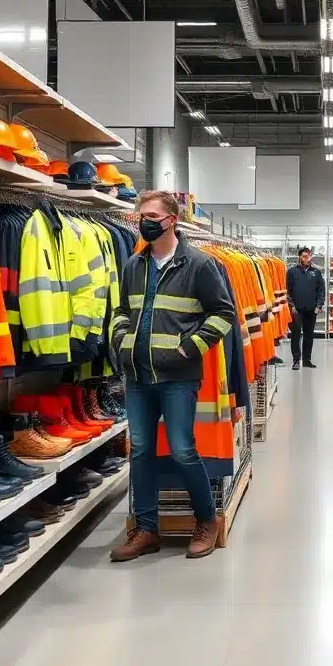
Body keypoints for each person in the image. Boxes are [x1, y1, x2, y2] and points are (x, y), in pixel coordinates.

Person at [108, 190, 237, 563]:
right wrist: (121, 340)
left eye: (151, 215)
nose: (144, 221)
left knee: (182, 449)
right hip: (138, 375)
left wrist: (187, 348)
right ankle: (147, 530)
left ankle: (206, 521)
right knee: (142, 451)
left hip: (179, 375)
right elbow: (120, 310)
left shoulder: (199, 264)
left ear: (171, 220)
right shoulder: (134, 264)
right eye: (140, 215)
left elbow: (223, 313)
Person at [286, 246, 325, 370]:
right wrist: (291, 305)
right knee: (296, 334)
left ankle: (307, 360)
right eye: (304, 256)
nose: (306, 258)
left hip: (311, 309)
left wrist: (319, 305)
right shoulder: (292, 271)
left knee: (309, 335)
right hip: (296, 310)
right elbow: (287, 290)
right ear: (299, 257)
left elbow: (321, 290)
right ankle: (296, 360)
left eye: (308, 256)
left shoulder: (316, 272)